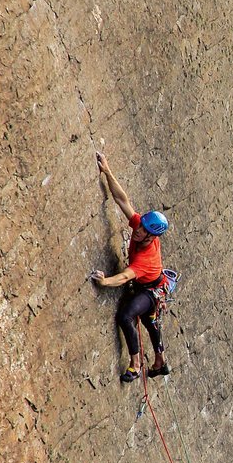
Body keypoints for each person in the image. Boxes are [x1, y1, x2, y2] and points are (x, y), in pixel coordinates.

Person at [91, 151, 171, 383]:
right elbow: (122, 200)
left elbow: (125, 276)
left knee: (127, 315)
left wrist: (105, 281)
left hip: (150, 290)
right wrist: (107, 171)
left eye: (143, 231)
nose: (137, 230)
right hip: (153, 286)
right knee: (148, 318)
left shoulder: (146, 258)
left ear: (150, 237)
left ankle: (136, 365)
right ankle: (160, 361)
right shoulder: (142, 227)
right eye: (140, 226)